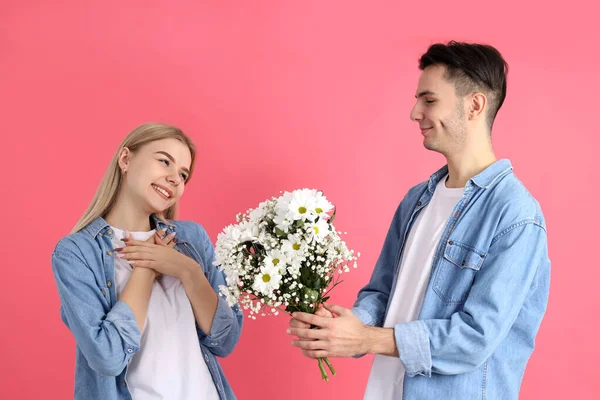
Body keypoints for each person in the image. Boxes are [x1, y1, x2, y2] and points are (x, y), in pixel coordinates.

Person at [287, 41, 551, 400]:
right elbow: (383, 295)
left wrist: (367, 339)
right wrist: (341, 329)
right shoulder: (417, 199)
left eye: (429, 100)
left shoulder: (516, 215)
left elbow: (475, 339)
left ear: (474, 105)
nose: (415, 113)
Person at [51, 122, 243, 399]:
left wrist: (188, 271)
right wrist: (145, 270)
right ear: (126, 159)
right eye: (164, 161)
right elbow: (108, 356)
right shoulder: (76, 253)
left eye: (183, 174)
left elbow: (226, 340)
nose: (175, 178)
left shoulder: (192, 240)